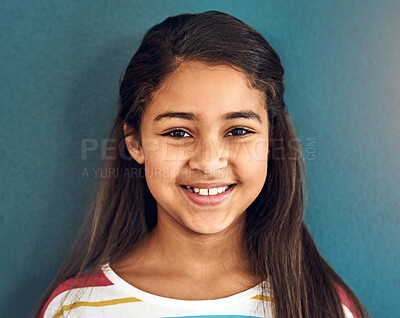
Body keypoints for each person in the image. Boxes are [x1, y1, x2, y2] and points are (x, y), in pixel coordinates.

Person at [34, 10, 370, 318]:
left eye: (238, 130)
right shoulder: (76, 308)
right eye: (178, 132)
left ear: (271, 141)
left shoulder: (328, 307)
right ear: (135, 142)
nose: (209, 161)